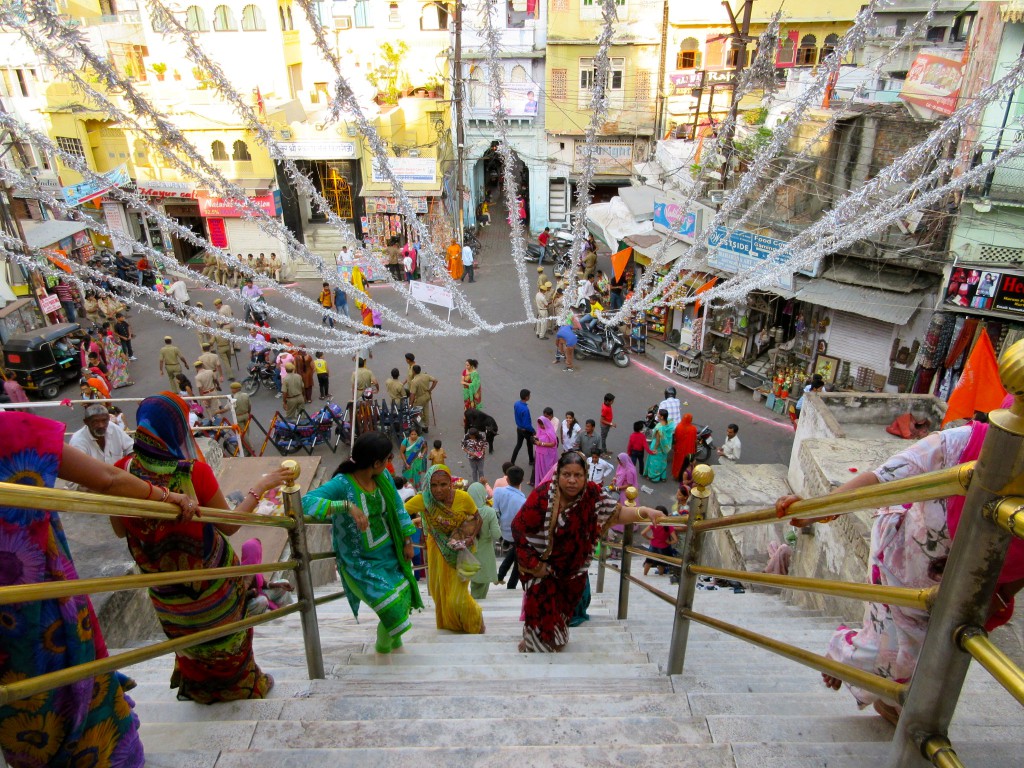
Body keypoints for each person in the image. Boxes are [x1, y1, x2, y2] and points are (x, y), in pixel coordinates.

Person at [775, 406, 1024, 725]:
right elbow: (882, 478)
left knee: (930, 661)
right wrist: (817, 509)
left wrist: (1001, 596)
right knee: (890, 656)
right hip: (900, 563)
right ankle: (841, 653)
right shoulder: (963, 445)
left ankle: (895, 708)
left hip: (961, 589)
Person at [0, 411, 198, 768]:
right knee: (67, 681)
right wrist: (166, 496)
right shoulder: (11, 431)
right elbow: (107, 479)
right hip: (35, 597)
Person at [112, 393, 287, 702]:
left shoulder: (122, 471)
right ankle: (242, 687)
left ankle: (199, 688)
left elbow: (117, 529)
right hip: (212, 587)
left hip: (164, 590)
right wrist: (260, 486)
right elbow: (230, 524)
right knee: (226, 638)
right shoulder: (192, 473)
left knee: (189, 640)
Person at [512, 452, 666, 652]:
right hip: (540, 567)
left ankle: (553, 640)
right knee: (539, 612)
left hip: (572, 574)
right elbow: (518, 527)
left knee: (558, 616)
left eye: (578, 475)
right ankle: (534, 644)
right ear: (558, 475)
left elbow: (617, 513)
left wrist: (643, 511)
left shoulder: (592, 495)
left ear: (586, 476)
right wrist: (535, 564)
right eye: (566, 474)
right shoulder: (543, 495)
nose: (572, 481)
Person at [302, 431, 422, 653]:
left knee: (403, 597)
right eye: (388, 459)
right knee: (392, 608)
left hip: (389, 555)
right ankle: (383, 651)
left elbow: (397, 507)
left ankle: (394, 648)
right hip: (360, 563)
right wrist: (346, 506)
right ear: (376, 463)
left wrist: (407, 540)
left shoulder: (383, 478)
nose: (390, 463)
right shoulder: (342, 484)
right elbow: (305, 502)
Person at [404, 465, 485, 633]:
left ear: (451, 483)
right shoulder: (424, 500)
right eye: (433, 485)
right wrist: (407, 537)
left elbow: (478, 518)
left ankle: (475, 621)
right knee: (437, 591)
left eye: (443, 484)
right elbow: (400, 513)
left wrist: (471, 537)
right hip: (436, 550)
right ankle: (452, 624)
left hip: (459, 552)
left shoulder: (463, 498)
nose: (438, 489)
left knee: (457, 596)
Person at [67, 403, 134, 486]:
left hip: (118, 480)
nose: (101, 425)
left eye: (104, 421)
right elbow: (77, 477)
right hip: (92, 485)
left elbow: (131, 448)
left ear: (108, 419)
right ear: (86, 422)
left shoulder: (112, 427)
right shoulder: (78, 441)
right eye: (95, 422)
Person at [241, 538, 294, 615]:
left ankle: (281, 607)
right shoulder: (241, 571)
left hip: (261, 593)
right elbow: (239, 595)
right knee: (262, 600)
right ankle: (260, 613)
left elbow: (263, 584)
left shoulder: (256, 567)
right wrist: (251, 593)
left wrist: (279, 585)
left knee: (285, 582)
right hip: (249, 602)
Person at [495, 465, 526, 588]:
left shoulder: (498, 492)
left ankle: (500, 575)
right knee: (519, 559)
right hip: (517, 535)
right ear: (522, 481)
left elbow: (495, 512)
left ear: (507, 479)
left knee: (515, 552)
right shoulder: (523, 501)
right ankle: (511, 585)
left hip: (503, 533)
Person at [468, 481, 501, 600]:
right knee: (482, 588)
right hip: (486, 553)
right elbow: (497, 534)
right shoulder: (489, 512)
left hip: (469, 553)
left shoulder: (465, 512)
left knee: (474, 584)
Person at [642, 505, 679, 576]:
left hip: (653, 545)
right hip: (664, 547)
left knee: (649, 561)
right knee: (661, 563)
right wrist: (669, 542)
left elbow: (643, 533)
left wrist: (649, 538)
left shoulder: (654, 524)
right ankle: (660, 574)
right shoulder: (669, 526)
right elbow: (675, 540)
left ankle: (645, 574)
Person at [645, 409, 674, 482]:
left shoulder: (659, 428)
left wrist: (654, 449)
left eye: (658, 414)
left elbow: (658, 440)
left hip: (657, 447)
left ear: (661, 417)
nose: (657, 415)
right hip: (665, 446)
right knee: (663, 461)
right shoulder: (670, 423)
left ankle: (654, 477)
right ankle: (663, 476)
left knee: (654, 462)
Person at [408, 365, 438, 432]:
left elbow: (412, 394)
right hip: (426, 396)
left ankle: (419, 426)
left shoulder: (414, 381)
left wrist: (410, 404)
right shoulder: (425, 375)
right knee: (426, 411)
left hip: (419, 399)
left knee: (417, 413)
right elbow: (435, 380)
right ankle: (426, 426)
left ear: (414, 371)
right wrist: (430, 390)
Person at [102, 322, 133, 388]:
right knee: (122, 373)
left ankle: (115, 384)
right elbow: (123, 355)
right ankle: (123, 382)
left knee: (116, 374)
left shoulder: (107, 351)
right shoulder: (117, 348)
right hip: (120, 364)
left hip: (113, 365)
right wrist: (127, 360)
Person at [510, 388, 535, 466]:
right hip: (526, 430)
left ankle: (512, 462)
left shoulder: (516, 403)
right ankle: (531, 460)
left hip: (519, 428)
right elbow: (527, 424)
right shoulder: (525, 409)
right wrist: (533, 430)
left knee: (518, 445)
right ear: (527, 397)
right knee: (529, 445)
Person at [533, 415, 558, 486]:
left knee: (547, 470)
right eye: (540, 425)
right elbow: (538, 437)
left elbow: (553, 444)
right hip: (539, 454)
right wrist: (535, 439)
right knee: (539, 469)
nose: (541, 426)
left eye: (542, 425)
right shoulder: (539, 430)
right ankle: (541, 484)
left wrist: (541, 443)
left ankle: (547, 484)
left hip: (548, 455)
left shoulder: (550, 431)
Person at [671, 413, 698, 481]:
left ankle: (676, 475)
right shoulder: (693, 429)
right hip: (688, 450)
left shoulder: (678, 426)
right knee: (686, 464)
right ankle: (683, 478)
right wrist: (695, 449)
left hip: (679, 448)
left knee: (678, 462)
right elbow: (695, 440)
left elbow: (676, 438)